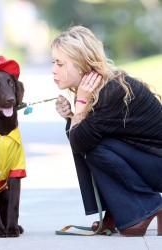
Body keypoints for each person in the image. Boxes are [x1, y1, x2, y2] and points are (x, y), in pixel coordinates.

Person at [51, 25, 162, 237]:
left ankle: (145, 207)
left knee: (92, 145)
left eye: (60, 63)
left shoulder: (112, 91)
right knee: (88, 140)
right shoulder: (95, 88)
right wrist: (73, 116)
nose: (53, 70)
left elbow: (81, 141)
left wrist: (80, 108)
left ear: (81, 65)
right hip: (151, 164)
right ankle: (118, 210)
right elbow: (82, 136)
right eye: (53, 63)